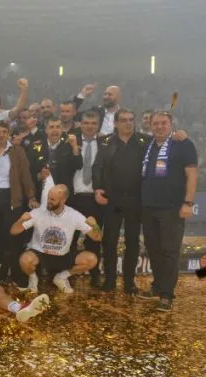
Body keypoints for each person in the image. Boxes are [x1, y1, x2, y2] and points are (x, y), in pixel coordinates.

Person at [138, 111, 198, 312]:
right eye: (156, 123)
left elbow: (192, 174)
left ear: (171, 124)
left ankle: (167, 294)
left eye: (163, 123)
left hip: (172, 208)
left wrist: (188, 202)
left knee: (170, 251)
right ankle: (157, 286)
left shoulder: (183, 144)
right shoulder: (148, 144)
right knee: (153, 249)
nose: (159, 126)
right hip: (148, 207)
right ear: (150, 126)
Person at [92, 109, 149, 294]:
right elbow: (97, 166)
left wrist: (180, 135)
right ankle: (109, 280)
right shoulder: (105, 141)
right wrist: (97, 188)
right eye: (123, 120)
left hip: (135, 199)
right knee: (109, 241)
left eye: (131, 120)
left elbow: (166, 143)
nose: (128, 123)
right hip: (112, 199)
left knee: (133, 242)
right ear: (116, 123)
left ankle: (129, 282)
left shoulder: (145, 141)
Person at [10, 185, 103, 294]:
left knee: (91, 259)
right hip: (40, 254)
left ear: (63, 200)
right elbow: (13, 231)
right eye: (48, 198)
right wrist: (21, 220)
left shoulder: (74, 215)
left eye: (52, 199)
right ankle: (33, 279)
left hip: (62, 256)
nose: (48, 201)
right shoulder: (38, 212)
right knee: (25, 259)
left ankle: (61, 277)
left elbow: (97, 237)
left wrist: (95, 225)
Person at [0, 120, 37, 285]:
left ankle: (17, 272)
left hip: (11, 196)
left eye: (4, 132)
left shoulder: (17, 151)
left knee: (13, 236)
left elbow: (25, 175)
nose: (1, 135)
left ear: (9, 134)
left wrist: (31, 196)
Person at [67, 111, 104, 287]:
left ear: (98, 125)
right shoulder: (70, 142)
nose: (90, 126)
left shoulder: (105, 144)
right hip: (73, 198)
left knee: (94, 238)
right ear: (80, 124)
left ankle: (95, 274)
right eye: (86, 123)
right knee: (70, 238)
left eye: (93, 123)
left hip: (95, 198)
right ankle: (66, 272)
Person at [26, 116, 82, 208]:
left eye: (58, 127)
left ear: (62, 129)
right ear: (46, 130)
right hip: (41, 197)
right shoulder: (35, 147)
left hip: (64, 198)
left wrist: (75, 147)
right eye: (51, 127)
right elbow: (28, 172)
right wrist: (39, 176)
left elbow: (78, 165)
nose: (55, 130)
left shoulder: (69, 146)